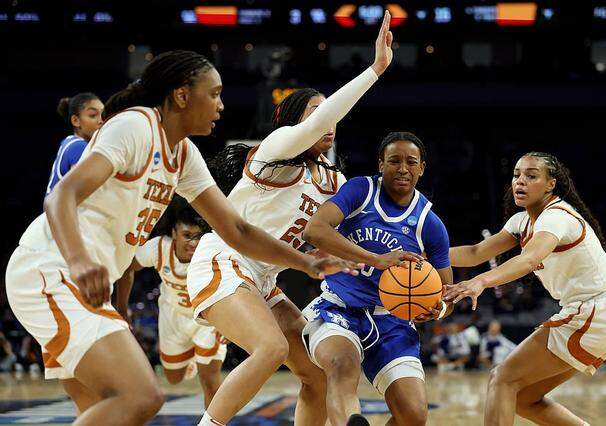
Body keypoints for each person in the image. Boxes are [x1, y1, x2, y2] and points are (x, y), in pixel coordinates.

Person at [5, 49, 356, 426]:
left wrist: (306, 262)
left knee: (104, 409)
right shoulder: (136, 126)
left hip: (85, 282)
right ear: (182, 95)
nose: (221, 105)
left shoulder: (184, 153)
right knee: (140, 395)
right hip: (52, 269)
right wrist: (78, 260)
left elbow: (236, 229)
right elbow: (61, 197)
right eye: (215, 93)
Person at [187, 12, 395, 426]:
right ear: (298, 119)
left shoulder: (333, 180)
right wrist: (374, 71)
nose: (329, 121)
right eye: (319, 113)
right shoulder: (275, 151)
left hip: (264, 280)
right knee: (270, 348)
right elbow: (320, 119)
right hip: (224, 261)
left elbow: (365, 228)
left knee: (315, 375)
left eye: (330, 114)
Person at [445, 152, 606, 426]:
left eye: (531, 176)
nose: (520, 181)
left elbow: (530, 258)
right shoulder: (522, 222)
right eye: (517, 174)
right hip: (597, 316)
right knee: (522, 399)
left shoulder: (556, 216)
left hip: (595, 312)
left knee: (502, 378)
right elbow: (475, 252)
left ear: (550, 184)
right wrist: (426, 255)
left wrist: (480, 281)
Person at [301, 131, 453, 426]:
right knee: (342, 366)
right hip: (338, 309)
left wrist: (440, 308)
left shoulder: (429, 224)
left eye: (411, 162)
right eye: (394, 160)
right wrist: (375, 260)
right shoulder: (361, 191)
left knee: (414, 416)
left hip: (392, 322)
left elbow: (446, 291)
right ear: (381, 164)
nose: (403, 168)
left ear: (422, 168)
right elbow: (314, 230)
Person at [115, 196, 226, 408]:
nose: (193, 243)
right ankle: (192, 359)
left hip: (207, 318)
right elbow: (128, 267)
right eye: (187, 235)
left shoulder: (212, 250)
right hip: (172, 316)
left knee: (210, 382)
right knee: (174, 377)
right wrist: (122, 309)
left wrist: (230, 323)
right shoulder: (158, 248)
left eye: (198, 236)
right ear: (173, 233)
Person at [46, 93, 104, 195]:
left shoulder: (71, 141)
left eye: (103, 114)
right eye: (93, 115)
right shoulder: (78, 146)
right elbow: (83, 191)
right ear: (76, 121)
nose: (101, 120)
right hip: (57, 210)